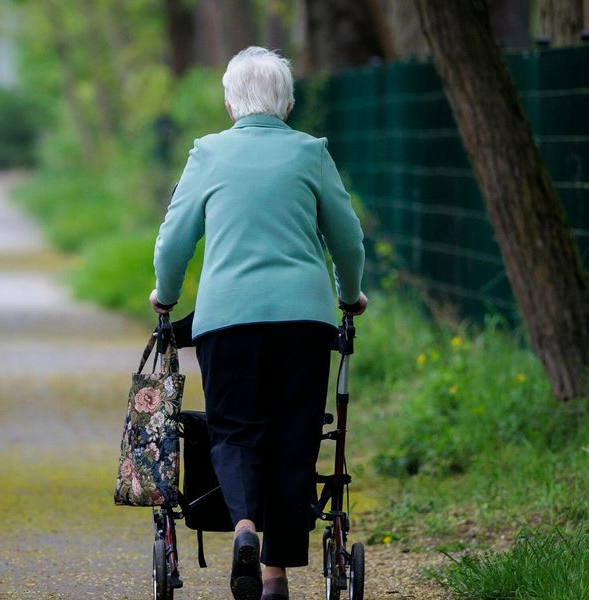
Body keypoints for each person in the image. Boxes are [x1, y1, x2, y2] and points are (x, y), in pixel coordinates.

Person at [150, 47, 367, 600]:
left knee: (234, 431)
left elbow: (174, 240)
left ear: (229, 104)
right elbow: (346, 238)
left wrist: (166, 296)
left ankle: (243, 526)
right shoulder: (311, 153)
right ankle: (274, 575)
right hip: (304, 319)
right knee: (294, 439)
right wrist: (350, 295)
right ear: (288, 104)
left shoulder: (207, 154)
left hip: (227, 320)